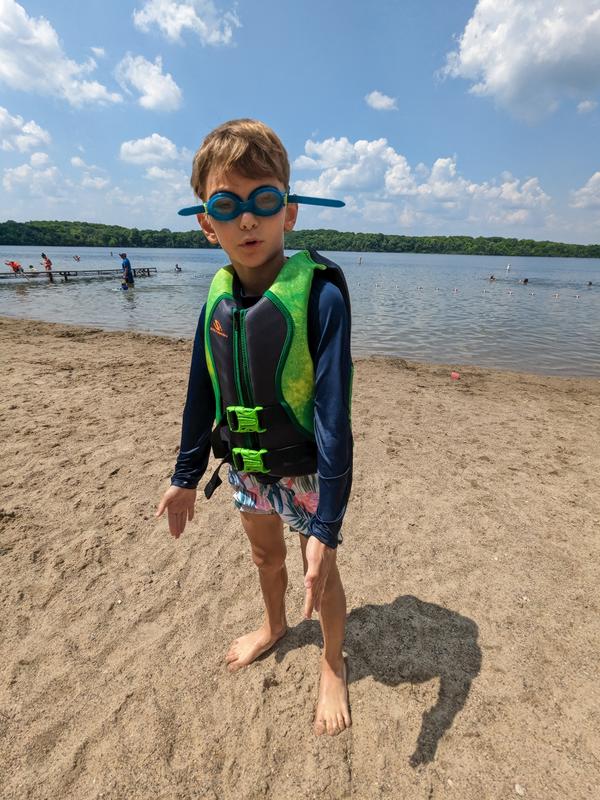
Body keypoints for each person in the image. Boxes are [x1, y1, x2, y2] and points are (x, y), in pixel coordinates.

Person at [155, 119, 353, 737]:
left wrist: (327, 525)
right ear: (205, 223)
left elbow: (334, 415)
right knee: (265, 556)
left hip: (307, 469)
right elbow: (200, 392)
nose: (247, 219)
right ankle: (274, 624)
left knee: (321, 569)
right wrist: (185, 475)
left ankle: (332, 661)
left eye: (263, 200)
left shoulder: (320, 296)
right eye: (226, 205)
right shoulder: (214, 303)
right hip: (245, 466)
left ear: (288, 212)